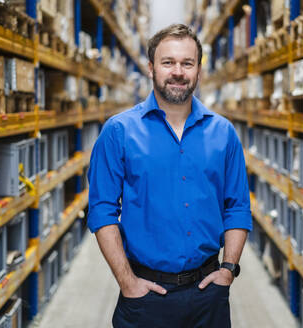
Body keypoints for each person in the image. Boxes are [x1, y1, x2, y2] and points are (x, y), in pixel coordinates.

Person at [87, 23, 252, 328]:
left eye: (187, 63)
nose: (178, 71)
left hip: (209, 294)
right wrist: (128, 283)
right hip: (145, 294)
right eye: (168, 62)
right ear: (151, 68)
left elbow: (238, 206)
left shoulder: (224, 133)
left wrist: (228, 269)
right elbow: (102, 210)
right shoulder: (119, 131)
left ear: (198, 70)